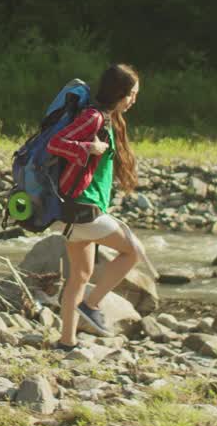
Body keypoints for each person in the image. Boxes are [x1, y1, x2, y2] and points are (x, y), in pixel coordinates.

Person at [48, 63, 154, 345]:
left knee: (79, 276)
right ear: (119, 92)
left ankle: (66, 342)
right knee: (133, 252)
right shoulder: (93, 117)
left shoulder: (107, 119)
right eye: (132, 94)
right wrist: (89, 148)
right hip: (82, 209)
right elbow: (55, 144)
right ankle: (91, 305)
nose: (134, 100)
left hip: (74, 211)